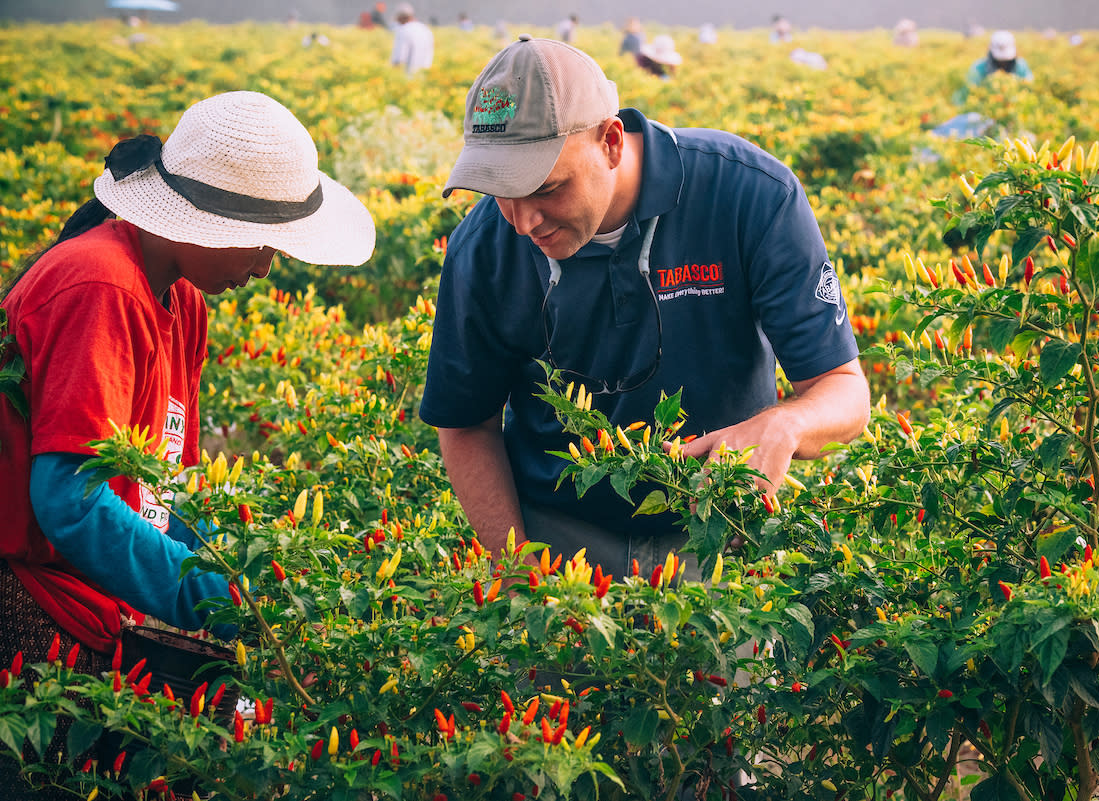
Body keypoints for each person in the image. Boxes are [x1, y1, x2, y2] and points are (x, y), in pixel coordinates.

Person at [0, 90, 374, 798]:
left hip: (98, 590)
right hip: (42, 600)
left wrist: (254, 574)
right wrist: (213, 598)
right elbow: (71, 501)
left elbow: (165, 486)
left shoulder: (182, 301)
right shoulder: (101, 285)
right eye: (263, 241)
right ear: (203, 221)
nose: (266, 266)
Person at [421, 37, 869, 580]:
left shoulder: (749, 194)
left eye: (546, 188)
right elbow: (467, 424)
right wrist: (518, 572)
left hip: (718, 531)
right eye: (498, 191)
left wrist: (786, 424)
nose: (523, 221)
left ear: (611, 141)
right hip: (559, 540)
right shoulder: (483, 248)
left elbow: (844, 390)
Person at [962, 30, 1034, 94]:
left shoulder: (1021, 66)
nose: (1003, 63)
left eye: (1006, 61)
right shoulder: (978, 68)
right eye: (999, 60)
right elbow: (970, 89)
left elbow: (1029, 86)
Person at [390, 3, 435, 74]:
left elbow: (398, 60)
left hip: (409, 80)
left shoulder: (403, 30)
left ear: (400, 18)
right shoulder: (426, 30)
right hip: (425, 76)